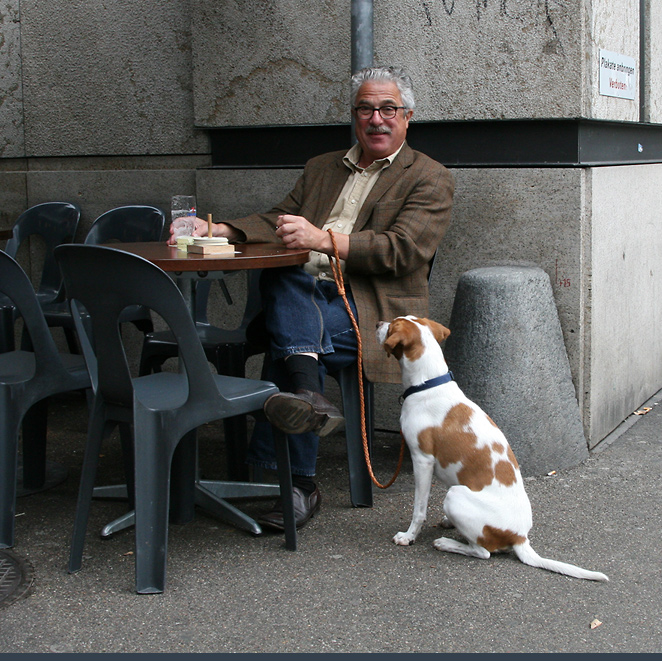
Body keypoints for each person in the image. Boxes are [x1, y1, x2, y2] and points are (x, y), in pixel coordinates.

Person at [172, 66, 454, 530]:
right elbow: (281, 217)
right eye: (366, 108)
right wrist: (220, 229)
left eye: (388, 109)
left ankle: (296, 471)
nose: (376, 119)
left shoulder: (429, 177)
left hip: (368, 307)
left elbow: (404, 250)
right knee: (285, 280)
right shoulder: (323, 166)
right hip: (304, 295)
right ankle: (306, 404)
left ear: (407, 117)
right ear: (354, 116)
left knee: (292, 333)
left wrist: (324, 241)